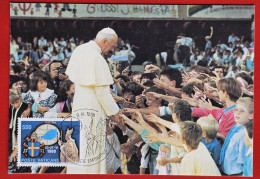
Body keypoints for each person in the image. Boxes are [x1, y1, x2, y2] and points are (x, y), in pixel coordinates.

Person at [65, 27, 121, 174]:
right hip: (93, 110)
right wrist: (117, 114)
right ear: (104, 41)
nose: (112, 50)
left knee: (81, 146)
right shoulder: (96, 57)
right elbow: (103, 94)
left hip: (80, 108)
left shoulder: (80, 50)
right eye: (112, 46)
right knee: (90, 150)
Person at [219, 97, 253, 176]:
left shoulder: (244, 134)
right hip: (226, 170)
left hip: (235, 173)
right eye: (236, 109)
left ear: (251, 116)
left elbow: (244, 161)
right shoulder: (235, 126)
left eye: (242, 111)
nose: (237, 113)